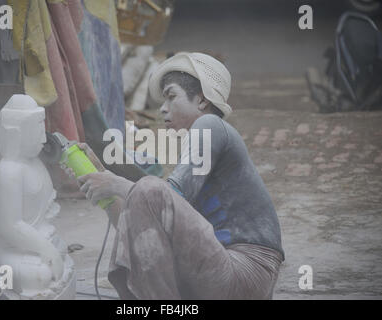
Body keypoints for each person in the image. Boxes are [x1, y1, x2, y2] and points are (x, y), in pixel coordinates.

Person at [73, 52, 285, 299]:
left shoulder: (209, 125)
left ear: (202, 100)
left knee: (151, 187)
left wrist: (115, 183)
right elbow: (140, 223)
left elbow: (156, 195)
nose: (163, 108)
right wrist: (103, 182)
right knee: (147, 198)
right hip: (223, 270)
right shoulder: (196, 149)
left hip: (244, 271)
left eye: (171, 96)